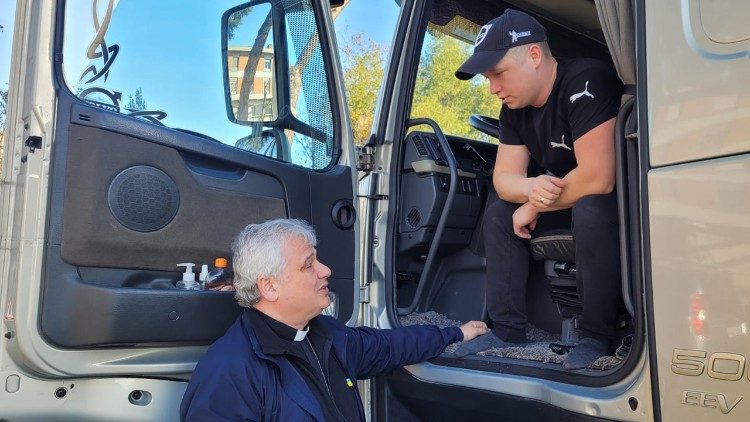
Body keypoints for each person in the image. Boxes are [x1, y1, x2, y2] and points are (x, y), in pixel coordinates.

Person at [180, 219, 488, 421]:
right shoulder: (228, 371)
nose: (325, 270)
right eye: (309, 264)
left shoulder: (326, 336)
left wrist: (454, 334)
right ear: (269, 287)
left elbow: (390, 345)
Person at [452, 9, 623, 370]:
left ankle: (597, 335)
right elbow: (504, 179)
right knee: (499, 212)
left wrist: (532, 205)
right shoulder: (514, 110)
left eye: (498, 74)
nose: (493, 87)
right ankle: (507, 329)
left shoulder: (586, 79)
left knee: (591, 207)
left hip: (613, 202)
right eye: (487, 78)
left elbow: (598, 175)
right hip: (563, 196)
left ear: (533, 56)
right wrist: (530, 187)